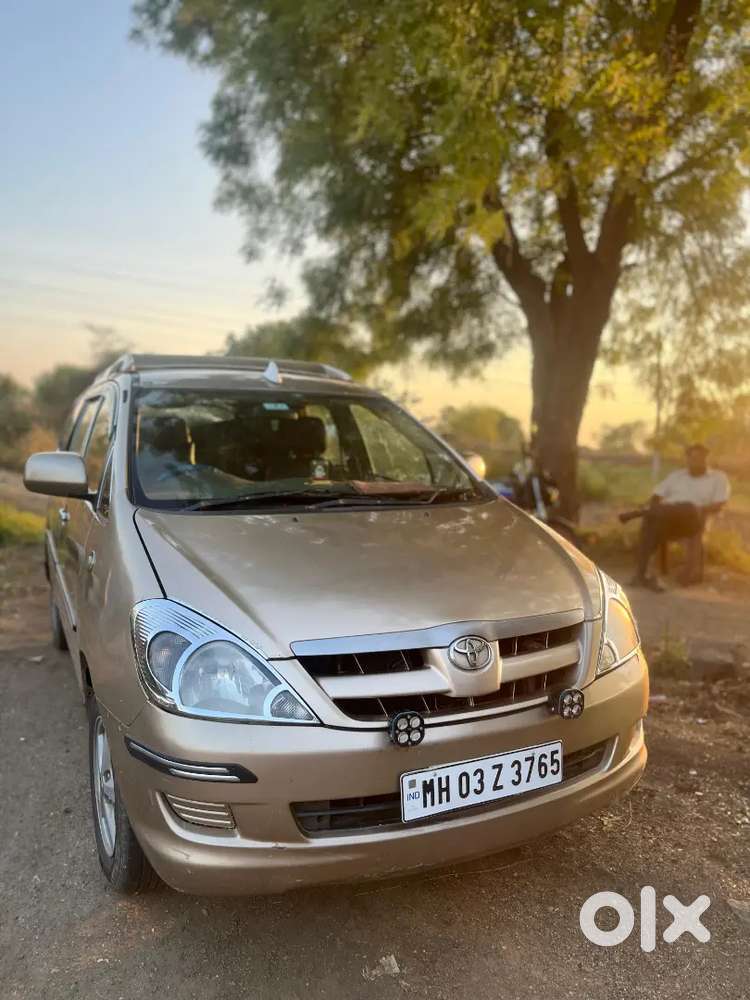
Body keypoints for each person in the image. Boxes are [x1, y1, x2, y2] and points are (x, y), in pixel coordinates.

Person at [621, 444, 730, 591]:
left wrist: (698, 509)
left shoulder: (718, 478)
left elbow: (720, 504)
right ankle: (641, 574)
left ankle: (639, 513)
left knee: (687, 507)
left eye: (700, 458)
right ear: (687, 459)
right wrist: (655, 506)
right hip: (668, 520)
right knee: (651, 523)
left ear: (707, 459)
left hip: (694, 519)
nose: (696, 461)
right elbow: (657, 495)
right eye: (692, 458)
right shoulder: (677, 476)